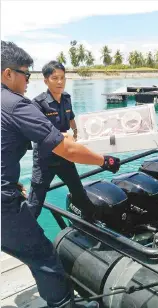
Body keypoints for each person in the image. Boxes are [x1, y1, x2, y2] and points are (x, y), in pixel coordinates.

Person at [1, 41, 120, 308]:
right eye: (25, 74)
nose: (27, 80)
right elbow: (66, 147)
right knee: (42, 254)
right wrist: (104, 160)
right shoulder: (17, 104)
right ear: (7, 73)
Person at [27, 61, 96, 221]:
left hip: (65, 156)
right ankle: (23, 236)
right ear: (45, 80)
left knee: (79, 192)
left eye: (63, 78)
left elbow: (70, 116)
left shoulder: (66, 98)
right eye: (55, 78)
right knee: (35, 202)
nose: (60, 82)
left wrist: (77, 131)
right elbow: (39, 134)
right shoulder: (38, 104)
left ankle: (90, 222)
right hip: (45, 160)